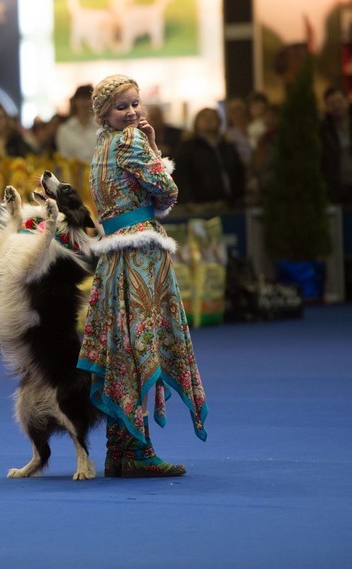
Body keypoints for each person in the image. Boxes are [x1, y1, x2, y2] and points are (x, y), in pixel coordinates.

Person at [77, 74, 208, 478]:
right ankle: (135, 452)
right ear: (104, 113)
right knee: (141, 345)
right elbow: (167, 192)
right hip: (142, 255)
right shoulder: (132, 141)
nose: (132, 112)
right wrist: (153, 148)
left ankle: (122, 449)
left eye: (136, 104)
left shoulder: (101, 144)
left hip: (114, 255)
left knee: (123, 347)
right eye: (122, 106)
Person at [173, 107, 246, 206]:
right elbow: (181, 174)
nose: (209, 120)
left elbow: (238, 171)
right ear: (196, 123)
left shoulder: (226, 145)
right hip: (201, 204)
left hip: (229, 203)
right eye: (204, 117)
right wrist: (187, 199)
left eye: (212, 117)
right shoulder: (189, 146)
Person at [55, 84, 99, 163]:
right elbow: (64, 157)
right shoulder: (65, 129)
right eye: (82, 98)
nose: (85, 103)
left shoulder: (101, 128)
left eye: (88, 98)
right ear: (75, 101)